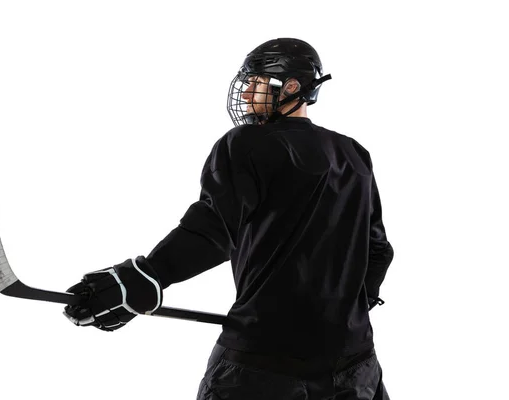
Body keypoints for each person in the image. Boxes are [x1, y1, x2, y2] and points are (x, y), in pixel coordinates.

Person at [63, 38, 394, 400]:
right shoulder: (353, 153)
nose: (248, 93)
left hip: (263, 366)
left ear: (293, 87)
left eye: (256, 83)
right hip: (355, 364)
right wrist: (342, 313)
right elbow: (378, 250)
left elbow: (212, 230)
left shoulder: (248, 143)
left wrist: (143, 278)